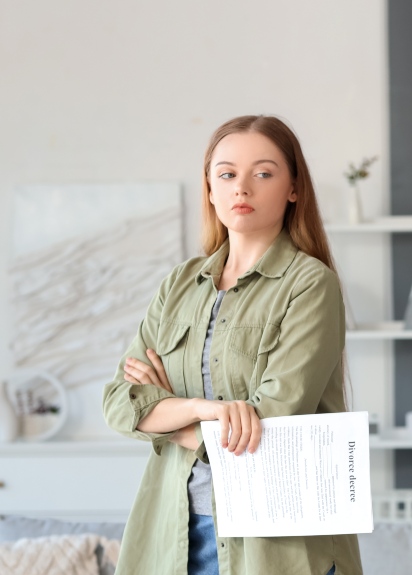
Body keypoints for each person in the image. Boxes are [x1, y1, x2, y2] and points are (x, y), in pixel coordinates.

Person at [102, 115, 362, 575]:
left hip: (275, 545)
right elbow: (122, 404)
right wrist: (205, 409)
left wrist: (175, 419)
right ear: (210, 188)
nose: (242, 187)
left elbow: (273, 420)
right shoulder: (179, 285)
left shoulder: (310, 285)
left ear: (294, 188)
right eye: (227, 174)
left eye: (263, 173)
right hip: (177, 535)